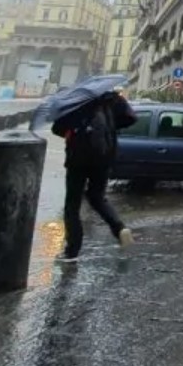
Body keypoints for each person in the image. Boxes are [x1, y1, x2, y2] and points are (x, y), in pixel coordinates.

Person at [55, 92, 137, 262]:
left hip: (77, 159)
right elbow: (131, 118)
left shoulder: (75, 101)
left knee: (72, 205)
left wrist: (73, 132)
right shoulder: (111, 98)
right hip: (103, 157)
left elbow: (57, 128)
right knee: (97, 197)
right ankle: (119, 228)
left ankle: (72, 250)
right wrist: (111, 127)